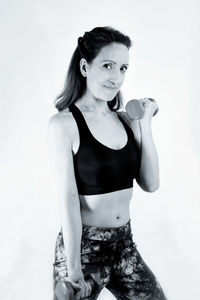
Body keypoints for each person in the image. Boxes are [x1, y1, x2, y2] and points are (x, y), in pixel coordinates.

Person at [47, 26, 167, 300]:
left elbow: (151, 183)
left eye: (123, 68)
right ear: (85, 66)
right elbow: (68, 200)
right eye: (108, 66)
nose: (116, 78)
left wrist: (144, 124)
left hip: (124, 246)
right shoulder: (63, 125)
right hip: (84, 249)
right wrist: (74, 267)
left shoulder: (125, 120)